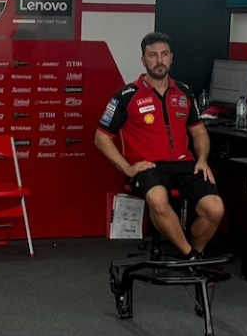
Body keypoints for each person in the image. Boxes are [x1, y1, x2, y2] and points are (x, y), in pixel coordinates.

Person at [94, 32, 224, 258]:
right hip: (148, 168)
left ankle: (196, 252)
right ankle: (189, 256)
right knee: (157, 198)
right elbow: (101, 138)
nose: (159, 60)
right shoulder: (126, 95)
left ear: (171, 58)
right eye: (153, 55)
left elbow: (199, 131)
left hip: (185, 165)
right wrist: (127, 168)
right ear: (143, 60)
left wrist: (202, 158)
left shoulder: (184, 91)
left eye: (164, 54)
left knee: (215, 209)